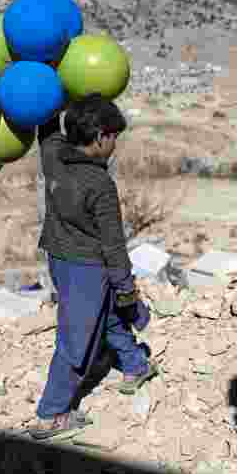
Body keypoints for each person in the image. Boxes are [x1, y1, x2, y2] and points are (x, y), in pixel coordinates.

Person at [28, 93, 157, 441]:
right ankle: (52, 414)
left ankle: (136, 365)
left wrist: (49, 95)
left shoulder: (53, 156)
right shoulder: (100, 185)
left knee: (106, 315)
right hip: (88, 267)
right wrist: (126, 287)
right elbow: (113, 245)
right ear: (101, 137)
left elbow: (47, 131)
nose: (115, 144)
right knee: (77, 337)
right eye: (114, 137)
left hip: (59, 259)